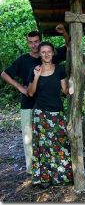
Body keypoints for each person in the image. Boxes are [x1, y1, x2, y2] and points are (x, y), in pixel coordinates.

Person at [0, 24, 69, 175]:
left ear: (41, 41)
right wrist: (19, 87)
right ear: (28, 43)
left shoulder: (49, 55)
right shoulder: (23, 60)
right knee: (29, 138)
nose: (34, 45)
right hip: (28, 104)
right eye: (30, 42)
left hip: (48, 106)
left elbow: (69, 47)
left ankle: (51, 169)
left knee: (49, 139)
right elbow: (4, 74)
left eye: (36, 41)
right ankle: (33, 171)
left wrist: (64, 32)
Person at [27, 42, 73, 188]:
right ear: (39, 54)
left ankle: (62, 177)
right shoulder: (35, 69)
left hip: (57, 113)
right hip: (40, 114)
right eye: (43, 52)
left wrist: (73, 84)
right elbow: (30, 93)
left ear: (53, 53)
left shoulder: (59, 70)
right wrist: (36, 77)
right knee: (43, 146)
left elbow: (65, 90)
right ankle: (45, 179)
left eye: (49, 52)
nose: (46, 54)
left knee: (60, 144)